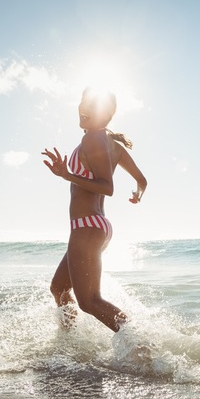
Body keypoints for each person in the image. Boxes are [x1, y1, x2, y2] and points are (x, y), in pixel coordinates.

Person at [42, 87, 147, 332]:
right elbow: (142, 181)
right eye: (82, 102)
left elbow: (106, 187)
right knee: (59, 288)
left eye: (92, 105)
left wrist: (67, 174)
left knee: (89, 301)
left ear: (107, 115)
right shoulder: (112, 144)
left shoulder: (93, 139)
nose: (83, 108)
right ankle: (70, 340)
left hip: (87, 225)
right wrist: (137, 195)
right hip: (96, 225)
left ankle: (140, 342)